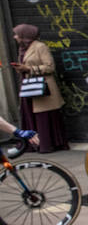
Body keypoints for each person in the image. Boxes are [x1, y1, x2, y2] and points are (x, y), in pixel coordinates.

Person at [11, 24, 67, 153]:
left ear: (24, 35)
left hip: (42, 88)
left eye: (17, 34)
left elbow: (49, 67)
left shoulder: (40, 47)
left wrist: (28, 69)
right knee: (31, 114)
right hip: (29, 87)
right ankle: (32, 144)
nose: (14, 37)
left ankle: (48, 144)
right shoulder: (22, 49)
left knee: (43, 117)